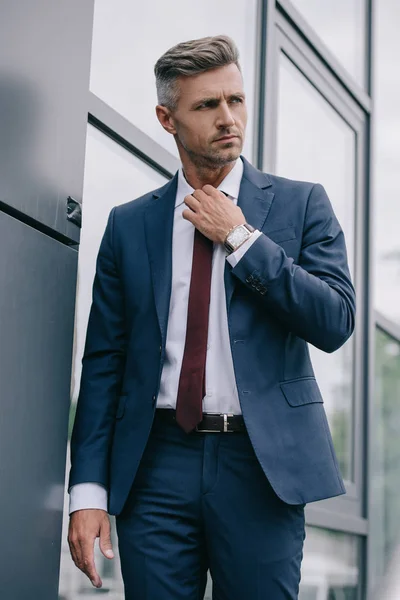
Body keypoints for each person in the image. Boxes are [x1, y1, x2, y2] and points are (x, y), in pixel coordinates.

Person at [67, 35, 356, 599]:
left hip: (261, 465)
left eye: (236, 101)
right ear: (167, 118)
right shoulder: (130, 226)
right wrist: (88, 493)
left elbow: (336, 320)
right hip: (155, 463)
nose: (228, 118)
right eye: (206, 105)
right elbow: (105, 363)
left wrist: (242, 238)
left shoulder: (302, 205)